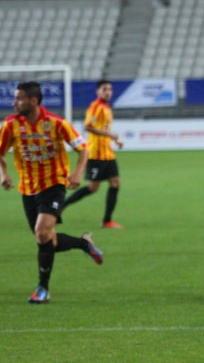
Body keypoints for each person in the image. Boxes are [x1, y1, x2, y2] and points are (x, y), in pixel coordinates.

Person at [0, 81, 104, 304]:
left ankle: (42, 289)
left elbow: (82, 148)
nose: (14, 102)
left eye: (19, 98)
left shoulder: (56, 123)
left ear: (33, 101)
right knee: (48, 241)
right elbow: (0, 153)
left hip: (54, 184)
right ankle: (85, 244)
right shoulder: (10, 125)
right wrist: (3, 174)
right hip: (27, 188)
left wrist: (77, 174)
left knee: (41, 232)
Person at [63, 80, 124, 229]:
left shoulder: (107, 108)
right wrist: (109, 134)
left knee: (115, 183)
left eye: (110, 89)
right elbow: (88, 126)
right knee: (92, 187)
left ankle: (107, 220)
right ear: (98, 92)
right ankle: (62, 205)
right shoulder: (96, 107)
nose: (108, 92)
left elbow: (103, 129)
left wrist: (113, 139)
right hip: (96, 154)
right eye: (104, 89)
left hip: (108, 154)